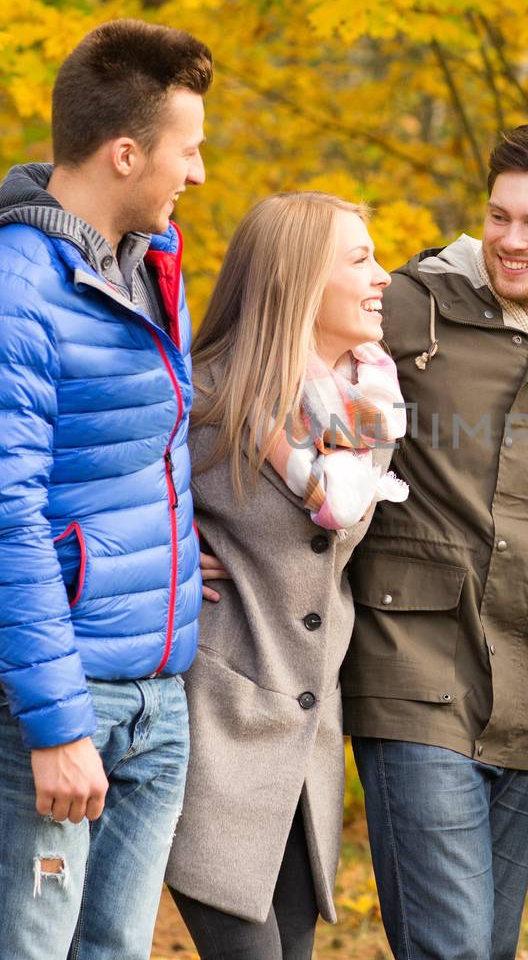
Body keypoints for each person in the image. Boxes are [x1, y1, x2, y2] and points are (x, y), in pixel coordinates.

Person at [0, 19, 210, 960]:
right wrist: (55, 724)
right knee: (22, 944)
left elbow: (133, 457)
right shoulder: (6, 288)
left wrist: (170, 561)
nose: (198, 173)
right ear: (126, 152)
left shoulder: (140, 266)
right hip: (52, 691)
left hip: (151, 689)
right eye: (189, 149)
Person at [340, 121, 528, 960]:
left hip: (525, 687)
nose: (511, 240)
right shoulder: (406, 305)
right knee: (452, 947)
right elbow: (257, 376)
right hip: (410, 664)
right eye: (500, 216)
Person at [164, 192, 407, 960]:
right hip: (217, 721)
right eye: (361, 259)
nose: (385, 276)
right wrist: (164, 557)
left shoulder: (370, 405)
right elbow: (96, 491)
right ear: (300, 279)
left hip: (306, 743)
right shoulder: (202, 394)